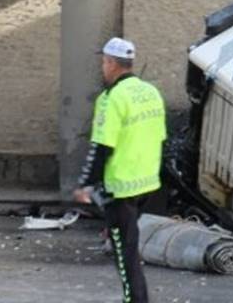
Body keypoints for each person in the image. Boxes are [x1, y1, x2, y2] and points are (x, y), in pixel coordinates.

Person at [73, 37, 166, 303]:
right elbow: (160, 138)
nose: (103, 67)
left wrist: (84, 185)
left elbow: (101, 147)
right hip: (147, 183)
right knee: (128, 242)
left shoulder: (111, 97)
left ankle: (136, 301)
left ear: (112, 63)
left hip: (121, 187)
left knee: (125, 254)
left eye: (104, 61)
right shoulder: (150, 92)